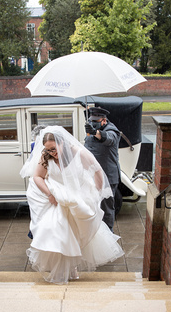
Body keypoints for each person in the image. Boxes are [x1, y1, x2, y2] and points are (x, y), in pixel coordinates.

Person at [20, 125, 124, 284]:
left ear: (62, 143)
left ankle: (73, 266)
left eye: (54, 149)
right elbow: (37, 177)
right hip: (58, 196)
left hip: (77, 195)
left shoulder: (79, 153)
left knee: (78, 232)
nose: (51, 153)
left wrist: (96, 192)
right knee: (58, 230)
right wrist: (49, 193)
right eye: (48, 150)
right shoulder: (46, 157)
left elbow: (97, 170)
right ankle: (66, 268)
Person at [84, 106, 121, 231]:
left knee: (106, 209)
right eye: (91, 121)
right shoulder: (91, 130)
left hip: (107, 178)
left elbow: (108, 138)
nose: (93, 123)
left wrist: (96, 133)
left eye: (96, 121)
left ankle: (108, 235)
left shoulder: (112, 131)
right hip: (92, 176)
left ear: (104, 121)